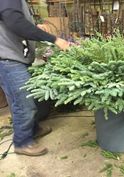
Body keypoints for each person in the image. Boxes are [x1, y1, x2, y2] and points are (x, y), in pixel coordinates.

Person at [0, 0, 70, 156]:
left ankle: (33, 129)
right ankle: (22, 142)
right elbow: (14, 21)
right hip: (8, 59)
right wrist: (55, 39)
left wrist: (35, 28)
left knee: (20, 99)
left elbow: (14, 21)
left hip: (13, 57)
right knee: (24, 103)